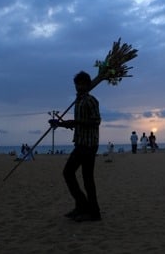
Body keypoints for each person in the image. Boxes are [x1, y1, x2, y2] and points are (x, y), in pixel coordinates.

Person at [49, 71, 102, 222]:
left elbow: (96, 121)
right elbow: (75, 123)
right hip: (80, 142)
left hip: (89, 145)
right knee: (76, 176)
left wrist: (76, 122)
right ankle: (86, 207)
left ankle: (89, 210)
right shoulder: (78, 101)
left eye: (80, 84)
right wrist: (59, 123)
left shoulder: (91, 101)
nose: (78, 87)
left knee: (76, 175)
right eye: (76, 85)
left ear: (86, 84)